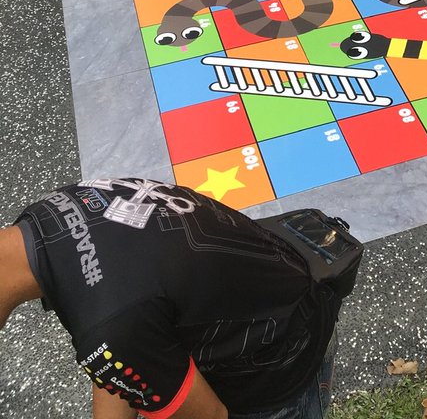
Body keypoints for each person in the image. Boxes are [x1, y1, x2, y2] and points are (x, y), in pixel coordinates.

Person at [0, 177, 341, 419]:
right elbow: (123, 347)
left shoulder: (111, 324)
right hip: (280, 285)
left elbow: (207, 415)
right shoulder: (48, 215)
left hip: (281, 361)